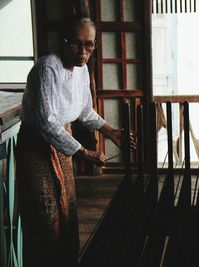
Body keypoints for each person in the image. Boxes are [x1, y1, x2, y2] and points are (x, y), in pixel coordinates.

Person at [16, 15, 132, 267]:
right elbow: (47, 122)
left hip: (62, 144)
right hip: (36, 146)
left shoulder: (82, 70)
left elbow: (84, 111)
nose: (83, 51)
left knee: (67, 210)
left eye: (89, 44)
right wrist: (83, 152)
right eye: (76, 44)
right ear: (63, 41)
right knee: (45, 214)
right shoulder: (48, 67)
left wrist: (111, 131)